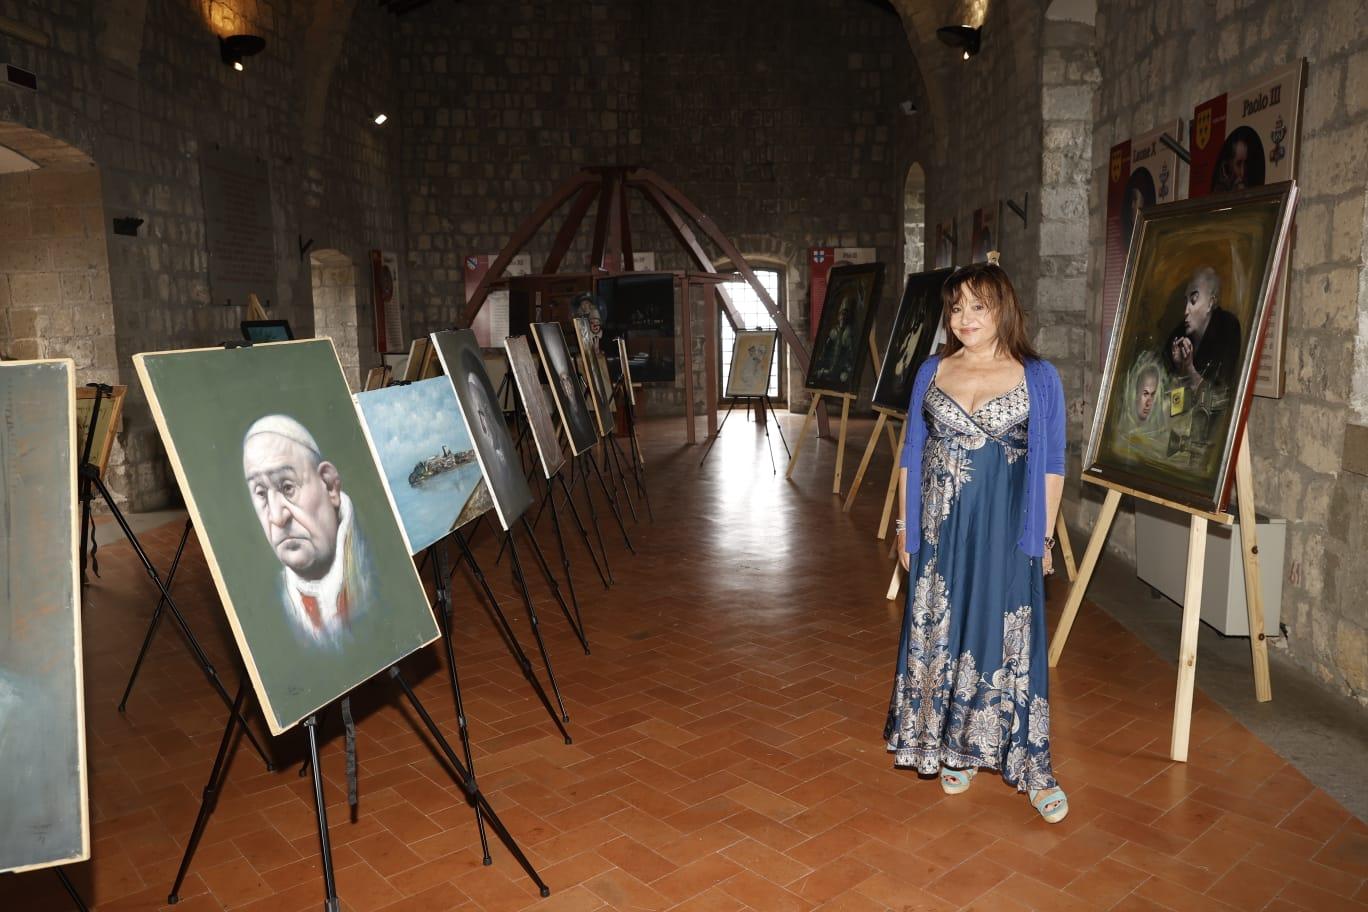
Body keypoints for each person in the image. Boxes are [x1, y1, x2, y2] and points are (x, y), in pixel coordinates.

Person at [884, 262, 1068, 824]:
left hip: (1006, 530)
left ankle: (1033, 767)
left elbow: (1052, 464)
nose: (964, 317)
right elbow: (912, 453)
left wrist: (1041, 536)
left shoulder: (1039, 376)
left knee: (1006, 634)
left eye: (977, 306)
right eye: (956, 307)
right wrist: (905, 526)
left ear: (1002, 309)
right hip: (940, 529)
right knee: (943, 631)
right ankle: (955, 745)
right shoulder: (932, 370)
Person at [243, 415, 373, 647]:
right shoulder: (264, 605)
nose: (277, 517)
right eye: (261, 493)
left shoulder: (377, 570)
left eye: (288, 487)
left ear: (329, 485)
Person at [1163, 265, 1242, 391]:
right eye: (1186, 301)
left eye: (1193, 300)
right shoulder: (1179, 334)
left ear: (1210, 303)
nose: (1186, 311)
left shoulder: (1228, 327)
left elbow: (1218, 394)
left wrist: (1189, 368)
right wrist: (1179, 367)